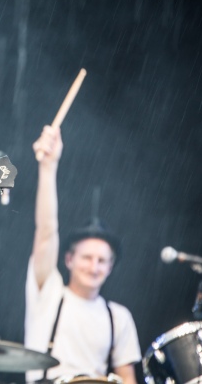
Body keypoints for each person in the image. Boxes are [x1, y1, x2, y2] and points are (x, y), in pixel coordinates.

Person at [25, 126, 140, 383]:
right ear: (69, 260)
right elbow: (46, 231)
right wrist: (48, 167)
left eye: (102, 261)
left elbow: (128, 379)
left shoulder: (118, 317)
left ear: (110, 267)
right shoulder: (49, 295)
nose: (94, 266)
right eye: (87, 258)